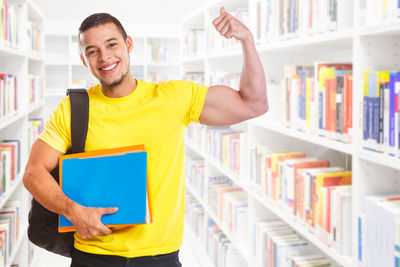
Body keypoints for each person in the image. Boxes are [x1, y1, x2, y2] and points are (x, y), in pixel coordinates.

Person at [23, 6, 268, 267]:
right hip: (93, 257)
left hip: (160, 258)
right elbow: (33, 172)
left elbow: (253, 104)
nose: (104, 57)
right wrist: (72, 210)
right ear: (84, 60)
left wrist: (247, 41)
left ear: (128, 44)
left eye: (111, 44)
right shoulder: (73, 109)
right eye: (92, 51)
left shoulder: (173, 97)